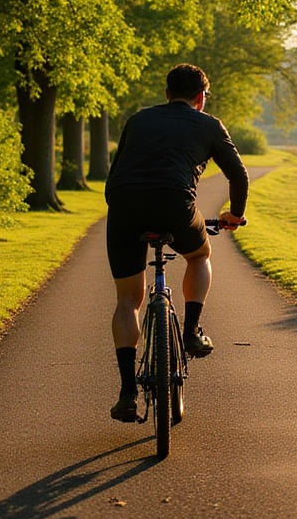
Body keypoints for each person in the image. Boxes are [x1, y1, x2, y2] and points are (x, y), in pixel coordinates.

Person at [104, 63, 248, 422]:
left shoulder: (138, 120)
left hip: (123, 206)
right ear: (201, 97)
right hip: (174, 205)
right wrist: (233, 214)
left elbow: (116, 168)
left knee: (127, 300)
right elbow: (239, 175)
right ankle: (190, 332)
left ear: (167, 94)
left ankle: (126, 392)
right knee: (200, 255)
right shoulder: (210, 124)